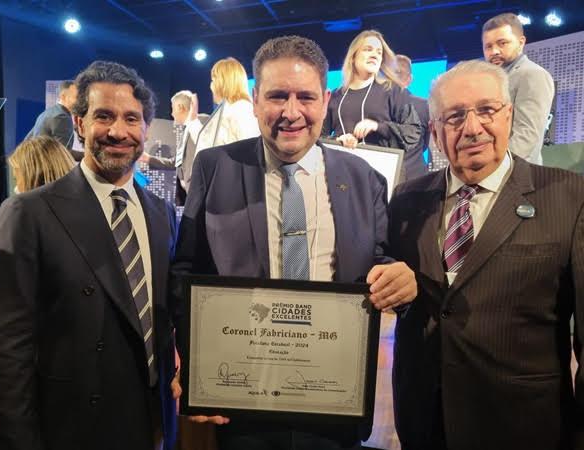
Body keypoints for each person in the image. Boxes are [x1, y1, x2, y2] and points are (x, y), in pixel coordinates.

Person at [170, 35, 417, 450]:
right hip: (240, 403)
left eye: (305, 97)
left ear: (324, 99)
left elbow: (378, 259)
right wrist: (193, 361)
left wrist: (399, 279)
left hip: (334, 400)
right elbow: (186, 270)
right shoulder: (216, 168)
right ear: (254, 99)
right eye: (277, 96)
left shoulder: (364, 179)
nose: (291, 112)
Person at [389, 60, 584, 450]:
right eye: (454, 116)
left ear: (508, 116)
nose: (472, 128)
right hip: (425, 422)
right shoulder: (406, 201)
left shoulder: (569, 196)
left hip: (527, 426)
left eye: (486, 110)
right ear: (435, 132)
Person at [0, 60, 179, 450]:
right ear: (79, 124)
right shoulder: (30, 212)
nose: (118, 131)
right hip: (68, 429)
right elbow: (7, 350)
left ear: (145, 127)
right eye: (103, 116)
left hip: (149, 424)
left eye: (131, 119)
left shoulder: (161, 213)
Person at [322, 30, 425, 180]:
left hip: (382, 176)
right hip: (343, 174)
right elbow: (317, 137)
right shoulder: (336, 96)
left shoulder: (393, 90)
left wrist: (378, 126)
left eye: (378, 52)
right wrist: (337, 141)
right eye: (368, 49)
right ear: (353, 56)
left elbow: (413, 132)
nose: (374, 55)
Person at [482, 12, 554, 165]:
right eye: (488, 46)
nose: (494, 51)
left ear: (521, 42)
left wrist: (494, 169)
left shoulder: (532, 74)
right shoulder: (491, 80)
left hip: (516, 175)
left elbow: (526, 135)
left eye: (502, 43)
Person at [139, 90, 209, 205]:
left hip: (201, 191)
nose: (172, 114)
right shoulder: (185, 131)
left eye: (173, 108)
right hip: (188, 193)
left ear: (180, 107)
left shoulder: (203, 122)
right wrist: (148, 159)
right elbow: (176, 162)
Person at [194, 57, 260, 153]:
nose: (211, 86)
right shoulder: (224, 111)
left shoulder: (242, 109)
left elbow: (249, 151)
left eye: (213, 80)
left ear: (224, 82)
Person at [25, 80, 83, 161]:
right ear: (63, 97)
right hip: (50, 171)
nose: (79, 102)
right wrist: (87, 157)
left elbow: (27, 140)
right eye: (76, 97)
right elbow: (64, 154)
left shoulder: (46, 113)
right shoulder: (62, 117)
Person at [8, 135, 75, 193]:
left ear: (35, 179)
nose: (15, 189)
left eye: (16, 179)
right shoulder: (81, 200)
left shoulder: (19, 206)